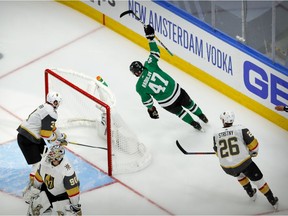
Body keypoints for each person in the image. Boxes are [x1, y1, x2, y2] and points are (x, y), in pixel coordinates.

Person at [129, 24, 208, 131]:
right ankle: (202, 116)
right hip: (176, 91)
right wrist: (150, 38)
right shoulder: (149, 65)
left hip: (166, 102)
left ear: (135, 73)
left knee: (180, 113)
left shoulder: (139, 87)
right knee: (190, 104)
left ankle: (195, 124)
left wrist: (151, 110)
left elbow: (148, 102)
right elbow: (155, 52)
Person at [213, 111, 279, 210]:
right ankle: (272, 200)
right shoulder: (240, 129)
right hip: (244, 163)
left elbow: (217, 153)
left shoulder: (216, 133)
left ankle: (250, 193)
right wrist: (253, 153)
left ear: (223, 120)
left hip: (226, 167)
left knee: (239, 173)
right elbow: (254, 144)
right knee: (259, 180)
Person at [17, 92, 68, 189]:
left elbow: (51, 126)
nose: (58, 104)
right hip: (28, 139)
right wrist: (56, 140)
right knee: (37, 164)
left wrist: (60, 136)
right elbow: (45, 134)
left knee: (46, 156)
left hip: (31, 137)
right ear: (54, 102)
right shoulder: (51, 112)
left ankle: (42, 179)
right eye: (57, 102)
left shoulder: (45, 107)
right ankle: (33, 190)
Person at [25, 145, 82, 215]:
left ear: (59, 158)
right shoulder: (45, 161)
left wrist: (75, 205)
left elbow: (73, 191)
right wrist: (35, 188)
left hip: (63, 195)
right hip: (48, 190)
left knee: (66, 213)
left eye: (54, 158)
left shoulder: (67, 170)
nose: (51, 160)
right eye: (50, 157)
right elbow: (39, 175)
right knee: (35, 209)